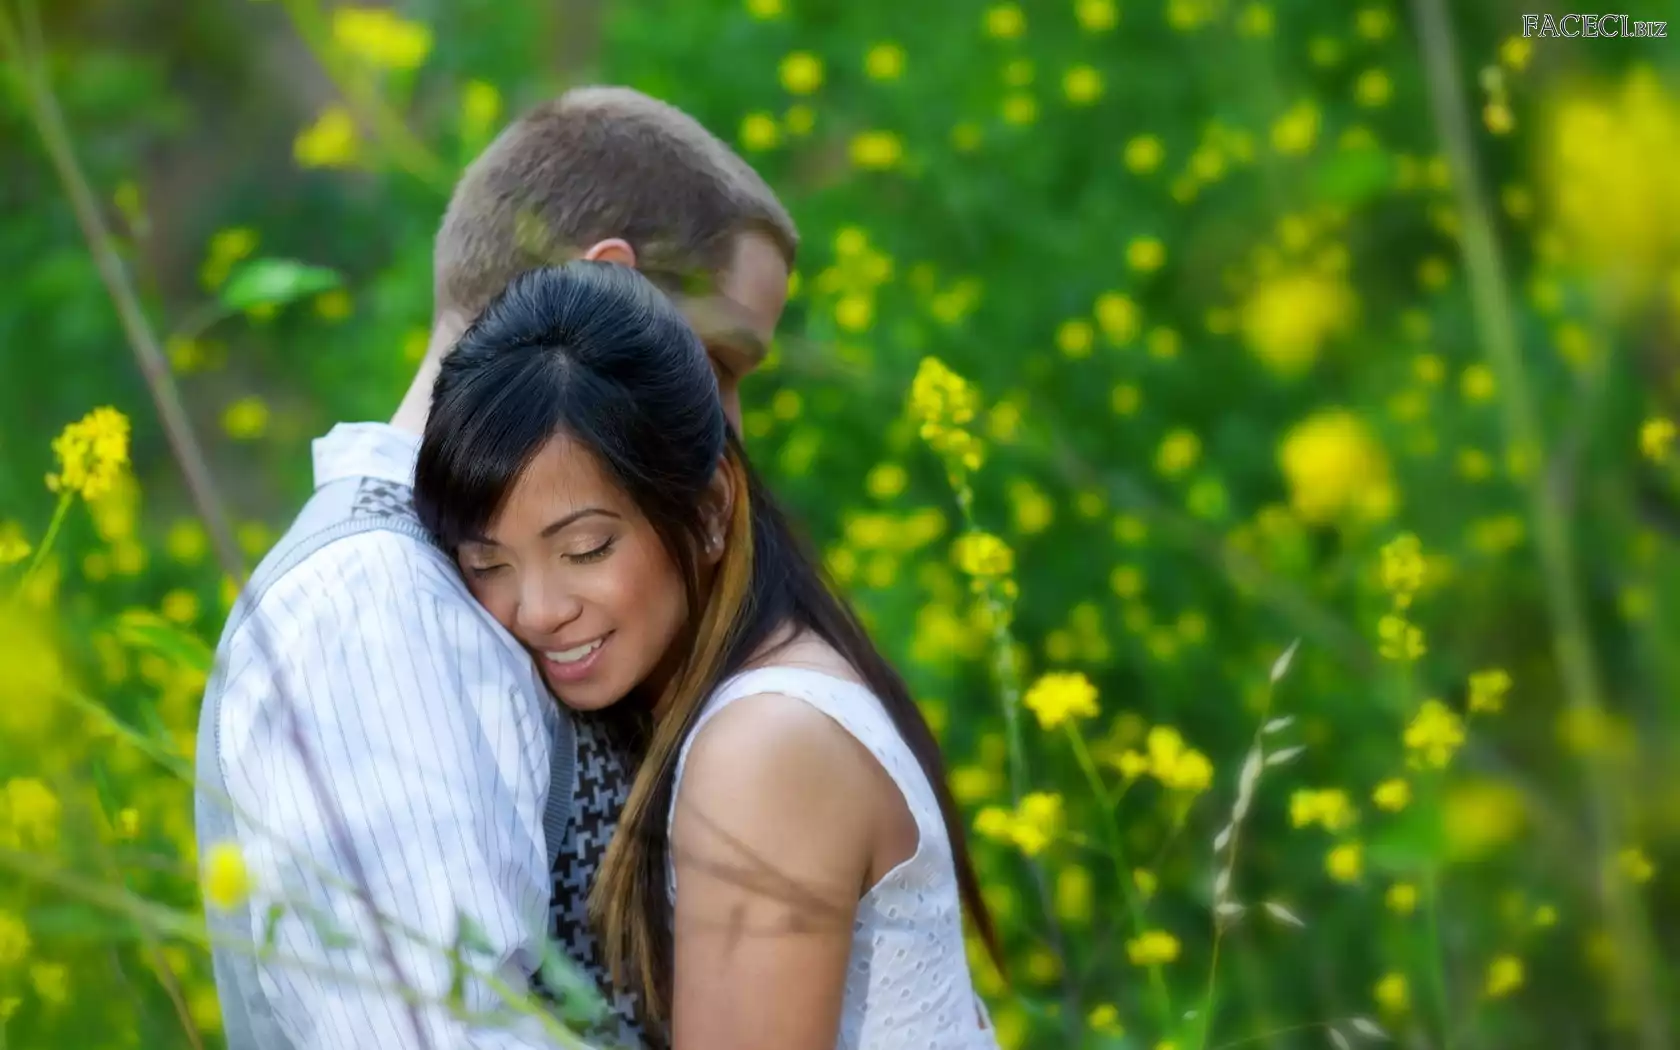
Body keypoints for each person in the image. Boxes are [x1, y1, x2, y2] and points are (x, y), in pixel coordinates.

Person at [194, 87, 794, 1050]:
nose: (731, 428)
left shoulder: (463, 593)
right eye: (719, 365)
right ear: (606, 290)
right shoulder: (376, 606)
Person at [410, 260, 1004, 1050]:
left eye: (586, 549)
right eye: (489, 564)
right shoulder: (764, 690)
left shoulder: (763, 746)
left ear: (714, 506)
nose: (540, 610)